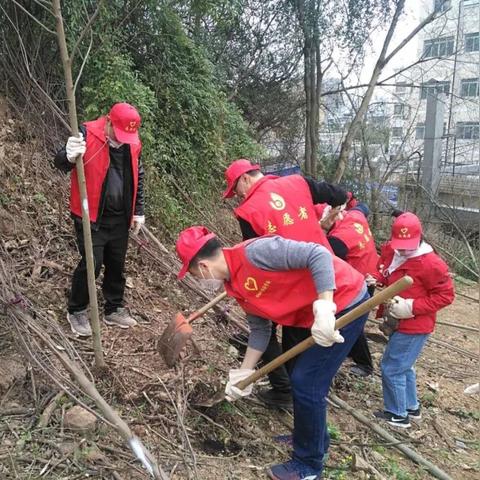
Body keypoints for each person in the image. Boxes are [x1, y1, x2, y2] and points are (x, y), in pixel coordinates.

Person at [176, 226, 370, 480]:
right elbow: (260, 329)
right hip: (311, 314)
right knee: (303, 378)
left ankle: (308, 465)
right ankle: (311, 438)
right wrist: (245, 371)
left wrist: (325, 307)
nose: (199, 280)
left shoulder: (256, 253)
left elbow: (318, 255)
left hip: (346, 302)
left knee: (307, 381)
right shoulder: (234, 283)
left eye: (194, 275)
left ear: (202, 267)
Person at [223, 159, 348, 409]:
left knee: (268, 332)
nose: (237, 196)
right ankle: (294, 393)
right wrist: (328, 222)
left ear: (245, 179)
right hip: (325, 282)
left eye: (235, 189)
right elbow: (341, 194)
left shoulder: (248, 212)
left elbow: (254, 257)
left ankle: (289, 394)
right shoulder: (297, 182)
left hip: (290, 289)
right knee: (303, 346)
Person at [54, 102, 145, 337]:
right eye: (119, 133)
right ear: (108, 121)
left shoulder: (131, 144)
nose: (122, 139)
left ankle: (113, 308)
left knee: (117, 264)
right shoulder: (85, 133)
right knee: (91, 264)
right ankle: (76, 309)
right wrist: (69, 155)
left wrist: (138, 210)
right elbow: (60, 162)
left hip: (120, 218)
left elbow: (138, 175)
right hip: (90, 215)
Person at [373, 212, 454, 428]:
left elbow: (446, 296)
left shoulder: (431, 263)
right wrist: (378, 279)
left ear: (419, 238)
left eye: (408, 245)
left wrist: (412, 307)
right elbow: (389, 271)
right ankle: (411, 406)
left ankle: (398, 414)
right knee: (404, 366)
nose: (403, 249)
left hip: (415, 324)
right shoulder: (393, 250)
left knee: (392, 366)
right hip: (396, 320)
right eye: (399, 244)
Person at [326, 202, 379, 377]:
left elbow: (326, 258)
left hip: (359, 284)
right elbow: (364, 207)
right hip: (367, 278)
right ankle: (348, 351)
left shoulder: (339, 237)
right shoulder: (354, 216)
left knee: (350, 322)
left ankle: (364, 363)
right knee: (351, 322)